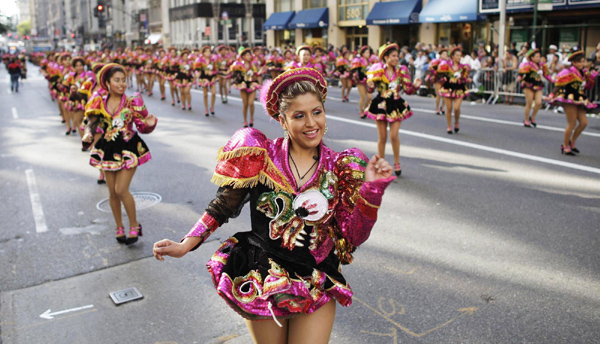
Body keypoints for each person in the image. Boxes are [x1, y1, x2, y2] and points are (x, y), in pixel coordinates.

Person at [152, 67, 394, 344]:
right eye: (298, 115)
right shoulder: (261, 155)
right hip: (263, 272)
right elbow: (223, 206)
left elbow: (353, 236)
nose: (311, 123)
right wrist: (186, 244)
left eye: (317, 112)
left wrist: (372, 192)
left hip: (315, 274)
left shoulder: (339, 167)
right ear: (282, 120)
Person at [83, 63, 157, 244]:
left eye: (124, 80)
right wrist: (88, 133)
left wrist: (149, 123)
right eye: (117, 80)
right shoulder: (98, 101)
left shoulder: (133, 101)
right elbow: (91, 122)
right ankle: (119, 227)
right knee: (112, 193)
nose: (121, 84)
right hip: (107, 148)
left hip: (128, 147)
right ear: (107, 83)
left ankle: (134, 224)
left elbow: (142, 127)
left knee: (121, 189)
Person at [365, 43, 421, 176]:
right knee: (382, 137)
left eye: (397, 56)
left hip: (396, 104)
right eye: (393, 56)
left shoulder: (401, 70)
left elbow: (408, 90)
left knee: (394, 135)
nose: (396, 58)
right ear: (386, 57)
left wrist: (415, 86)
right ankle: (382, 163)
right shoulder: (377, 70)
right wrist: (371, 86)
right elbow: (371, 89)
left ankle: (397, 163)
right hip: (381, 105)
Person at [548, 51, 598, 155]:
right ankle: (565, 145)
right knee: (572, 123)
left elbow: (588, 87)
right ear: (574, 62)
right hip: (569, 98)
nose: (581, 64)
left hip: (579, 98)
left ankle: (572, 141)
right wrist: (552, 94)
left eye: (583, 62)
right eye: (579, 62)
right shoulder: (568, 71)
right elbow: (558, 84)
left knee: (584, 123)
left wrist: (592, 77)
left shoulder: (583, 72)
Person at [438, 47, 471, 134]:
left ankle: (456, 122)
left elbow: (466, 77)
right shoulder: (447, 65)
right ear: (452, 56)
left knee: (456, 108)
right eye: (457, 55)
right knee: (449, 108)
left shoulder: (463, 67)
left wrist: (466, 78)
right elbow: (440, 74)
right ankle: (449, 126)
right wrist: (443, 77)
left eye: (460, 55)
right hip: (448, 87)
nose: (459, 57)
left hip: (459, 87)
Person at [517, 49, 553, 127]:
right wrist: (519, 77)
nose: (538, 58)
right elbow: (522, 73)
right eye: (536, 57)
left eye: (539, 57)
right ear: (532, 57)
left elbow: (546, 75)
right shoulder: (528, 65)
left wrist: (553, 81)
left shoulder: (542, 66)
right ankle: (526, 120)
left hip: (538, 84)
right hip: (528, 84)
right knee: (529, 103)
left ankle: (532, 117)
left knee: (539, 103)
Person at [230, 47, 261, 127]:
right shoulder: (239, 65)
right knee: (245, 104)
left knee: (251, 103)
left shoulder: (253, 65)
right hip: (243, 85)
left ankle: (251, 118)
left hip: (251, 84)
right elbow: (234, 73)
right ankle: (245, 121)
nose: (249, 56)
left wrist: (254, 74)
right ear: (243, 56)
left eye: (250, 55)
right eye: (247, 55)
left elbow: (257, 74)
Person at [350, 46, 373, 119]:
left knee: (369, 97)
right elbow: (355, 70)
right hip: (360, 81)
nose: (368, 54)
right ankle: (361, 111)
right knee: (363, 96)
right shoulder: (359, 60)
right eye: (366, 52)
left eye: (369, 52)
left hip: (368, 80)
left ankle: (365, 109)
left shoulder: (370, 61)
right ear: (362, 53)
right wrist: (357, 76)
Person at [196, 45, 218, 116]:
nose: (208, 53)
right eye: (206, 51)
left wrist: (213, 73)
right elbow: (197, 69)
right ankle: (206, 109)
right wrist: (198, 74)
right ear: (203, 53)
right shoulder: (200, 60)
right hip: (204, 78)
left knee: (214, 93)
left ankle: (212, 107)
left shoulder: (213, 60)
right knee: (205, 95)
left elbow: (216, 70)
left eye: (209, 51)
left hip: (211, 78)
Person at [426, 48, 448, 115]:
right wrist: (433, 71)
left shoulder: (448, 62)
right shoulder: (436, 62)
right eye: (443, 54)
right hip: (437, 79)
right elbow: (430, 69)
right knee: (439, 94)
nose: (445, 55)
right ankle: (437, 108)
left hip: (445, 79)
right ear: (440, 55)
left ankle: (443, 107)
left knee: (445, 94)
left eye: (446, 54)